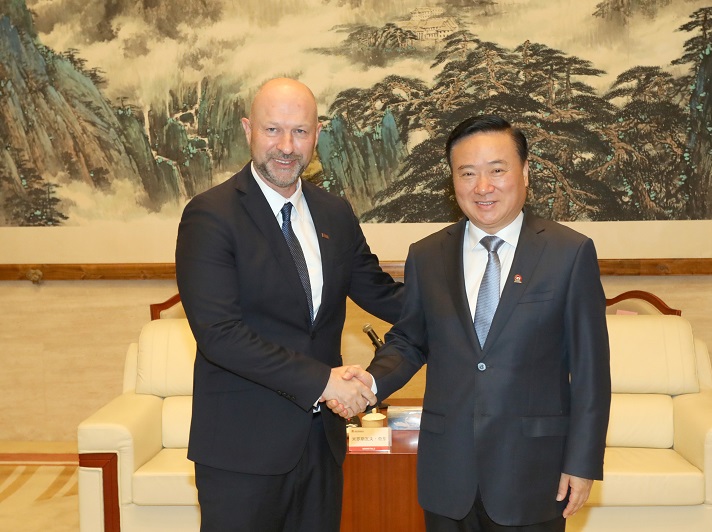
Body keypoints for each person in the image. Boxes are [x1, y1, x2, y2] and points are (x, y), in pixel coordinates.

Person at [334, 115, 611, 531]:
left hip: (533, 472)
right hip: (449, 472)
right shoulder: (427, 255)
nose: (483, 187)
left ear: (525, 172)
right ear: (453, 181)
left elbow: (591, 370)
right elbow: (410, 340)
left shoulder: (568, 253)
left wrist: (582, 462)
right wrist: (369, 383)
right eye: (467, 173)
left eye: (497, 170)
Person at [175, 77, 403, 532]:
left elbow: (382, 293)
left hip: (321, 446)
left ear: (317, 134)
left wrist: (467, 298)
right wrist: (324, 381)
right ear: (248, 130)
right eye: (272, 130)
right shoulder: (210, 215)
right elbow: (221, 335)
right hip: (242, 451)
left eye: (299, 131)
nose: (286, 146)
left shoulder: (335, 212)